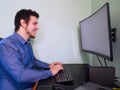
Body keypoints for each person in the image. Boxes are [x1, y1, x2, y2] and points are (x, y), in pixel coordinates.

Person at [0, 9, 63, 90]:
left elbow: (33, 61)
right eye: (34, 24)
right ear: (23, 23)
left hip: (32, 85)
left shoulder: (27, 42)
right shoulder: (6, 46)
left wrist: (49, 66)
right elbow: (21, 75)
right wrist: (50, 72)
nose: (37, 28)